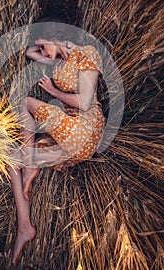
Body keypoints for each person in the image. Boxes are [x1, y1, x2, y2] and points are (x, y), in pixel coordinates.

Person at [8, 35, 106, 267]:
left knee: (25, 102)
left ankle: (31, 164)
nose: (41, 50)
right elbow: (29, 52)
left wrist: (53, 91)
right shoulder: (59, 62)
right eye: (41, 46)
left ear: (56, 36)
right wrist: (45, 42)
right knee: (10, 158)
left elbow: (84, 102)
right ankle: (25, 226)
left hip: (86, 129)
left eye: (44, 45)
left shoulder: (87, 53)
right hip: (67, 137)